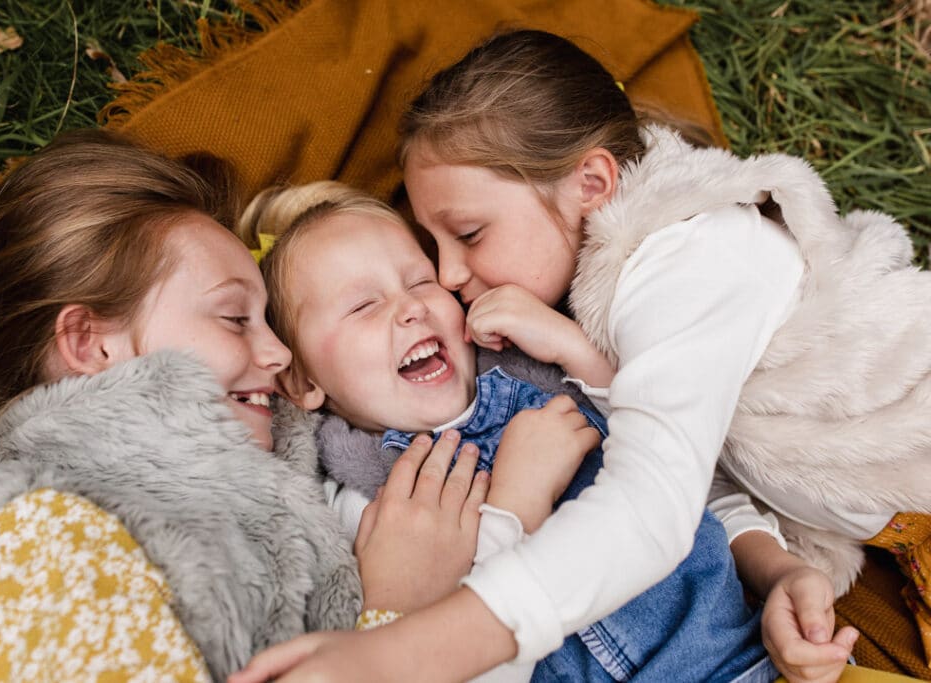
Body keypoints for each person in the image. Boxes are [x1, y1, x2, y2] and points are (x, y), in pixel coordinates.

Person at [231, 29, 931, 683]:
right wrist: (777, 570)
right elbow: (679, 454)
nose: (443, 280)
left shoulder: (693, 257)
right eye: (432, 248)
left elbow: (657, 498)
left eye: (466, 234)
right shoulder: (356, 488)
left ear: (591, 185)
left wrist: (398, 651)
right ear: (300, 378)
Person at [239, 180, 780, 682]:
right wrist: (516, 507)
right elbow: (453, 661)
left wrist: (576, 350)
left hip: (747, 656)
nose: (410, 309)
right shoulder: (361, 508)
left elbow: (680, 458)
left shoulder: (538, 365)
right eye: (363, 305)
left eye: (420, 281)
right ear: (301, 380)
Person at [0, 130, 379, 682]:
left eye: (269, 320)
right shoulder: (36, 547)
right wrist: (394, 611)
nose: (278, 352)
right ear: (92, 344)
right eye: (234, 318)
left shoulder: (282, 489)